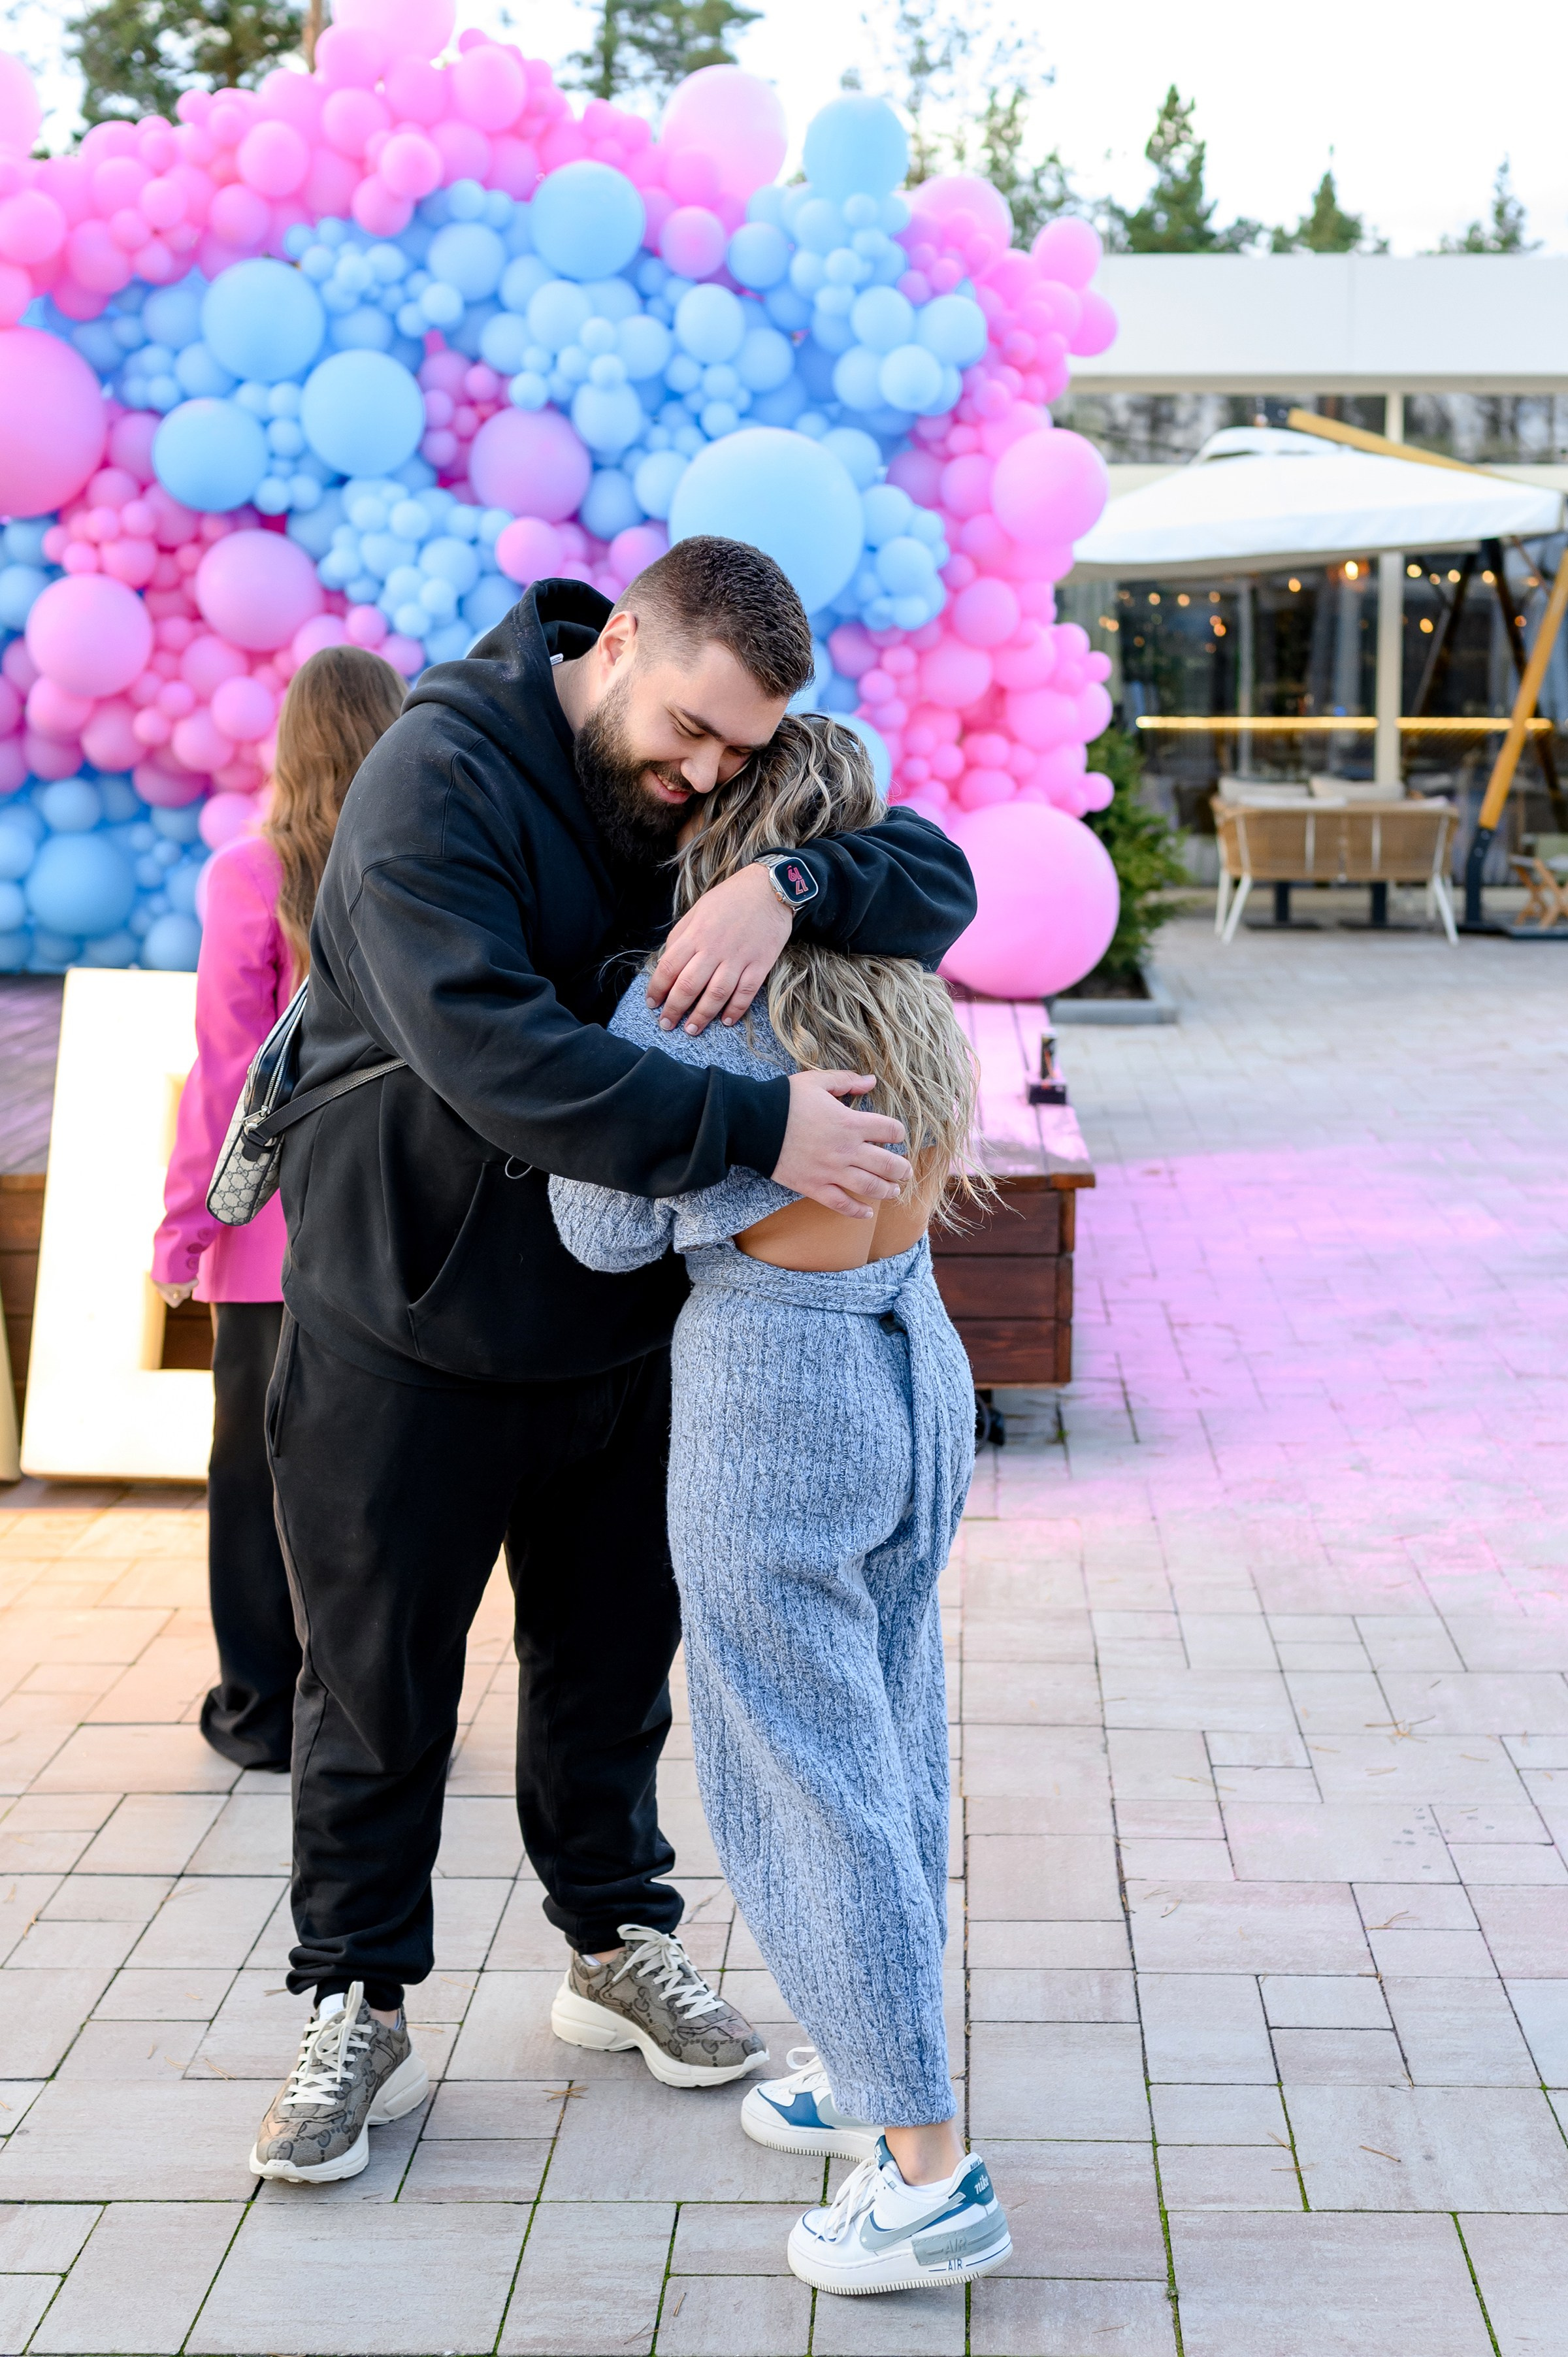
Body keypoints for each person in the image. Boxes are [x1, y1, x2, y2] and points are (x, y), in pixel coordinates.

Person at [246, 538, 977, 2188]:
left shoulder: (718, 756)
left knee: (610, 1667)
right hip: (404, 1318)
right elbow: (503, 1058)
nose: (708, 772)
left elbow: (933, 875)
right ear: (622, 638)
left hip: (626, 1319)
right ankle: (354, 1990)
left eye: (737, 751)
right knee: (376, 1682)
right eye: (694, 733)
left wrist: (785, 881)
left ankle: (616, 1936)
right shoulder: (435, 778)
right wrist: (759, 1122)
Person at [549, 712, 1009, 2298]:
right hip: (912, 1355)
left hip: (775, 1391)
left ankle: (929, 2170)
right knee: (883, 1731)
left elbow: (601, 1229)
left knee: (797, 1767)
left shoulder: (700, 990)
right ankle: (867, 2058)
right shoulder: (897, 973)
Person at [152, 646, 407, 1772]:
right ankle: (383, 1719)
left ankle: (264, 1714)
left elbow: (229, 1070)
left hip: (268, 1245)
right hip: (399, 1234)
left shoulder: (251, 874)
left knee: (254, 1482)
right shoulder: (428, 867)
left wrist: (182, 1227)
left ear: (292, 744)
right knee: (381, 1485)